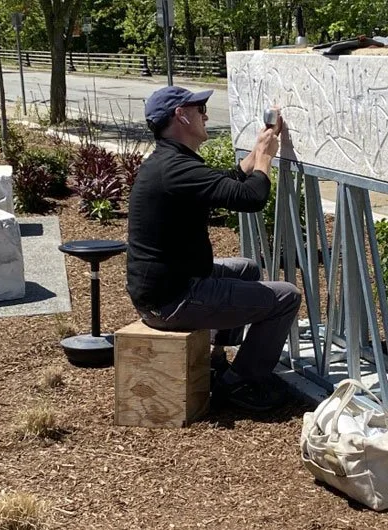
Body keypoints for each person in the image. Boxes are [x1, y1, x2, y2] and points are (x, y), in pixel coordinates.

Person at [126, 86, 302, 412]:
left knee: (247, 268)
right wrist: (265, 158)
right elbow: (251, 198)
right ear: (181, 115)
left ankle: (219, 359)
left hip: (164, 289)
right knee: (286, 297)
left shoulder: (170, 162)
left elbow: (226, 181)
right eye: (200, 108)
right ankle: (240, 385)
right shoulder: (175, 169)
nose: (206, 114)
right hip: (172, 301)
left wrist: (253, 156)